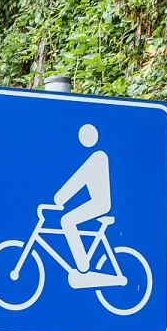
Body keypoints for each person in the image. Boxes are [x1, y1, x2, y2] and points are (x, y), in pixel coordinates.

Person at [49, 123, 116, 288]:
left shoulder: (98, 157)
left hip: (100, 204)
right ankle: (83, 265)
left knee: (67, 221)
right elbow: (79, 179)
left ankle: (83, 269)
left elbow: (79, 179)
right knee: (68, 221)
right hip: (95, 202)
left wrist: (60, 198)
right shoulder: (94, 157)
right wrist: (60, 199)